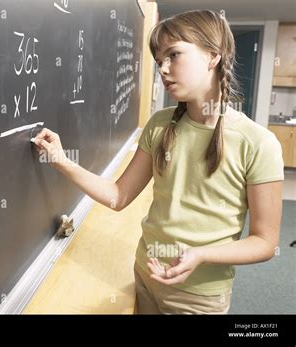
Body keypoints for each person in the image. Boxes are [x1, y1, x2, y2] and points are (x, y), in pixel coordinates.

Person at [31, 9, 284, 314]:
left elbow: (265, 242)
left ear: (213, 56)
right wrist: (61, 161)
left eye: (174, 55)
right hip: (145, 275)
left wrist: (201, 255)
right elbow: (119, 196)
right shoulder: (160, 125)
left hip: (197, 297)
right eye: (159, 60)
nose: (163, 69)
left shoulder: (258, 143)